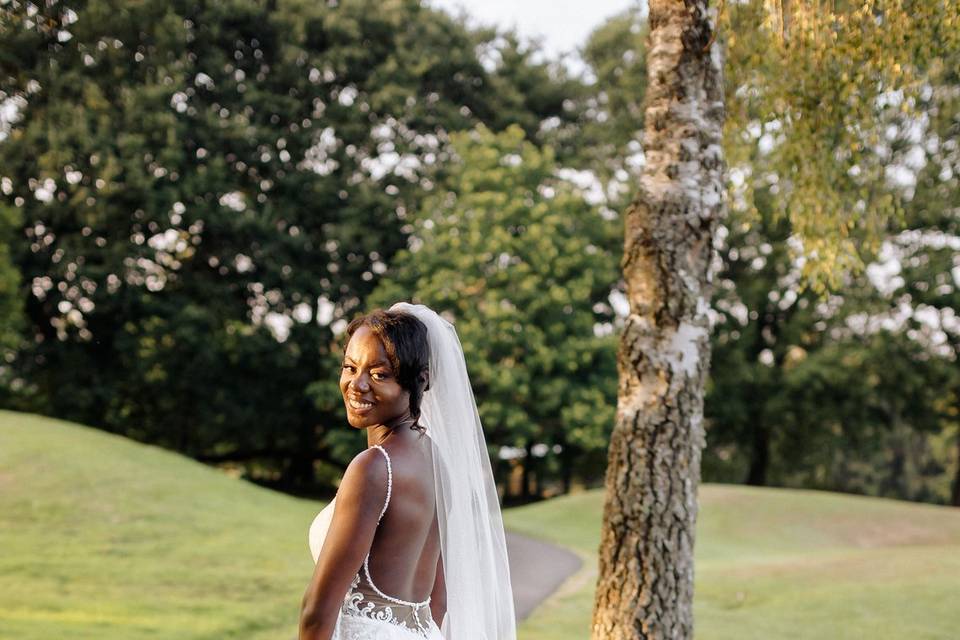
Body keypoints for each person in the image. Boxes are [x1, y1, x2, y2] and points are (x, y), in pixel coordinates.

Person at [300, 302, 516, 640]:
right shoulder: (439, 463)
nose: (356, 385)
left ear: (419, 381)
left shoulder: (373, 467)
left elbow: (317, 613)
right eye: (350, 367)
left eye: (379, 374)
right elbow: (439, 601)